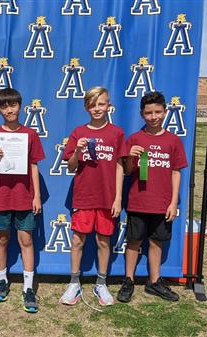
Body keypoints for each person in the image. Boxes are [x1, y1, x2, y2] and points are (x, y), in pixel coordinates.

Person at [117, 91, 187, 302]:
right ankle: (128, 280)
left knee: (157, 242)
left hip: (162, 203)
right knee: (133, 242)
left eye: (157, 112)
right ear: (142, 114)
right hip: (138, 201)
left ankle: (154, 281)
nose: (153, 116)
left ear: (165, 112)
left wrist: (174, 202)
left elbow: (176, 172)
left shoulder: (173, 140)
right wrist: (131, 157)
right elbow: (128, 171)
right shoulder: (135, 139)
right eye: (148, 113)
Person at [59, 86, 127, 306]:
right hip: (84, 196)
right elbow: (70, 167)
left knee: (103, 241)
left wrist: (117, 198)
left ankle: (101, 283)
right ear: (86, 107)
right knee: (78, 240)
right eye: (92, 104)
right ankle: (74, 283)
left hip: (107, 198)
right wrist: (77, 151)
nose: (97, 108)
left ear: (108, 105)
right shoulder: (78, 132)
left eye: (101, 104)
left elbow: (119, 167)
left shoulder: (116, 133)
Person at [0, 88, 45, 313]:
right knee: (2, 239)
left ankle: (28, 288)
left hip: (24, 197)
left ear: (20, 105)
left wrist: (36, 195)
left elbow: (34, 165)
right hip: (1, 196)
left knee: (26, 241)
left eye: (13, 105)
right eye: (4, 106)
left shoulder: (31, 134)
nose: (9, 109)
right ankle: (2, 280)